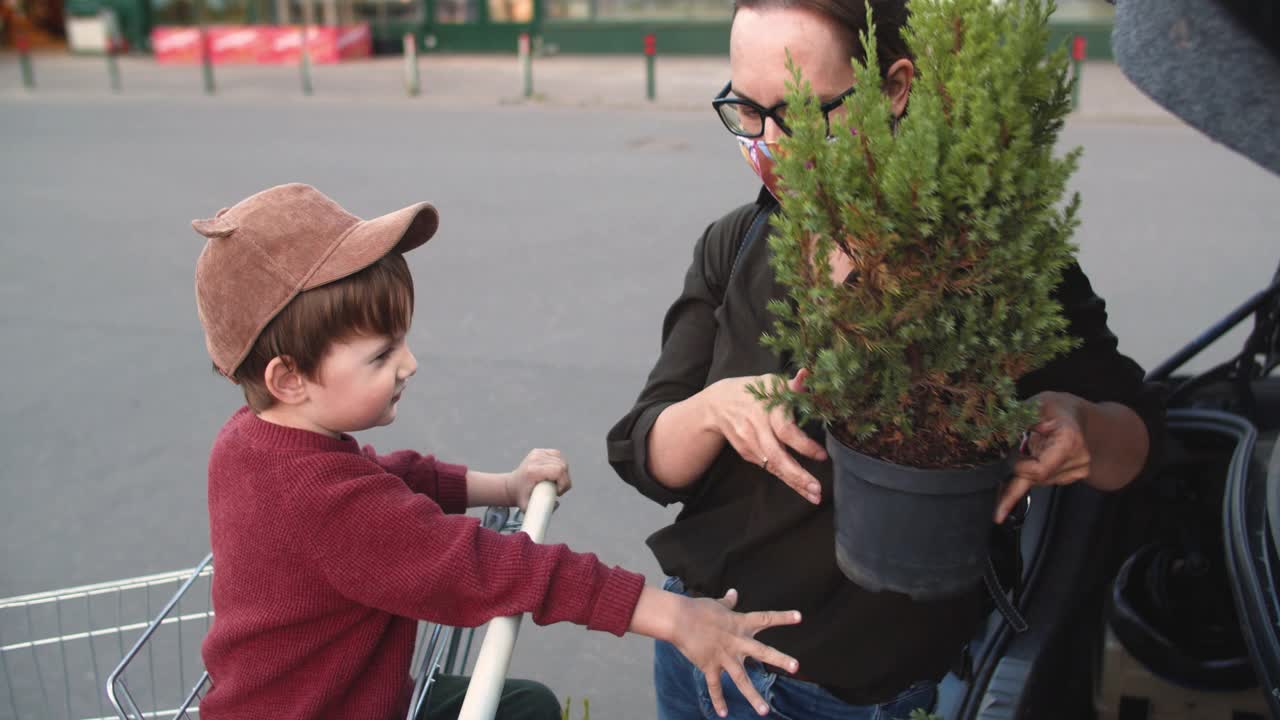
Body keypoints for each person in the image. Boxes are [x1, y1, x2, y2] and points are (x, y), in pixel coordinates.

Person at [606, 1, 1165, 718]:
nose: (770, 142)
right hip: (698, 652)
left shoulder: (983, 266)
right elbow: (645, 450)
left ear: (895, 88)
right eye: (746, 111)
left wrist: (1087, 428)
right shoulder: (737, 243)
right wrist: (714, 411)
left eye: (804, 112)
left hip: (854, 696)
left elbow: (1143, 437)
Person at [192, 183, 803, 720]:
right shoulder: (323, 501)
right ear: (288, 378)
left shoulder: (251, 441)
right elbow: (482, 567)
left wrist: (504, 486)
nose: (409, 364)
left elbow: (386, 478)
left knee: (523, 706)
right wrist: (670, 617)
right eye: (381, 355)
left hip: (332, 696)